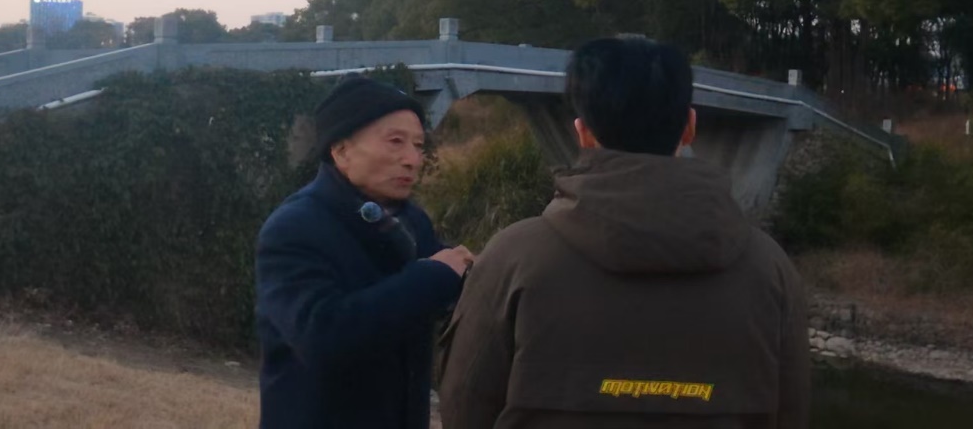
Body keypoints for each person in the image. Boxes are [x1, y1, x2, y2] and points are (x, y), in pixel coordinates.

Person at [438, 37, 810, 429]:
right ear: (689, 126)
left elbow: (464, 405)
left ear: (583, 133)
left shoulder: (512, 258)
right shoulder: (770, 269)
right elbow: (792, 412)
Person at [255, 75, 475, 429]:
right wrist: (432, 278)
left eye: (418, 145)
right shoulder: (294, 228)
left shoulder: (411, 221)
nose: (412, 159)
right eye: (395, 142)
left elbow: (438, 290)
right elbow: (321, 338)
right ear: (341, 149)